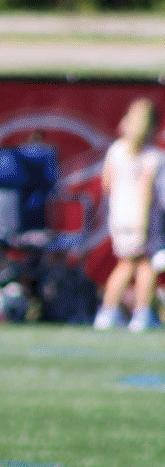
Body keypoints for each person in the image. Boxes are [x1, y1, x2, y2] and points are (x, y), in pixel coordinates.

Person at [94, 98, 162, 332]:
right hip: (142, 217)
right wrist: (143, 223)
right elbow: (147, 192)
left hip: (118, 216)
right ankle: (141, 314)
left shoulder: (116, 150)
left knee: (124, 264)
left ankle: (107, 313)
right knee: (147, 265)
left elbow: (106, 183)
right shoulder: (153, 156)